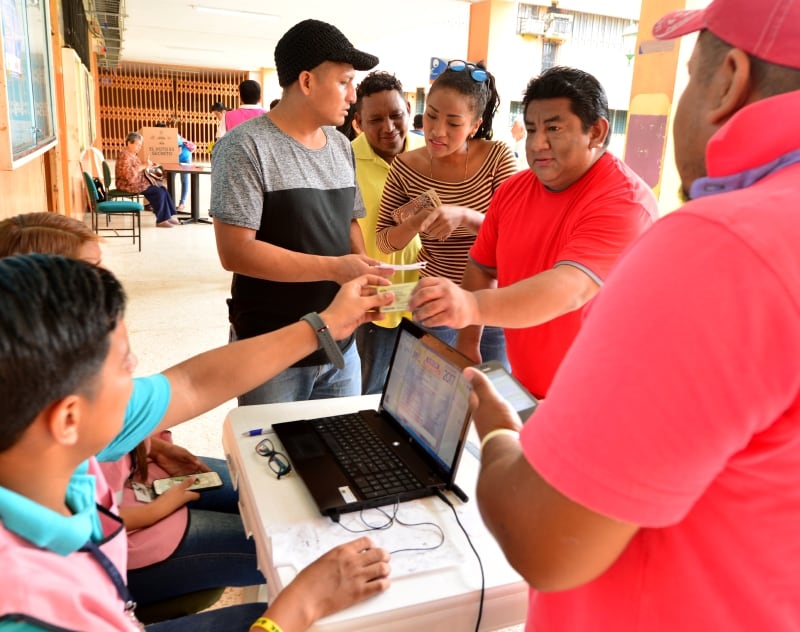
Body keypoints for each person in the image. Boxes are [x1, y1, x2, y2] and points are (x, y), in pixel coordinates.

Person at [463, 1, 800, 630]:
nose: (539, 143)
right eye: (530, 128)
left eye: (691, 75)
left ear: (727, 79)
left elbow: (544, 542)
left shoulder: (722, 244)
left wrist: (499, 431)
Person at [0, 252, 394, 631]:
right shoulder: (28, 608)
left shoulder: (45, 442)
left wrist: (326, 324)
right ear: (69, 418)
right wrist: (300, 606)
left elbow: (191, 383)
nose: (137, 369)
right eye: (123, 363)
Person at [0, 211, 260, 611]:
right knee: (275, 544)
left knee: (262, 487)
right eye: (90, 272)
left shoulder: (64, 433)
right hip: (138, 532)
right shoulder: (37, 589)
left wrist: (153, 445)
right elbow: (191, 384)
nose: (135, 368)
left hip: (139, 495)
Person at [409, 67, 658, 398]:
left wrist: (470, 305)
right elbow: (482, 265)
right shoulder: (514, 190)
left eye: (554, 128)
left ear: (596, 132)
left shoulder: (624, 203)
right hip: (530, 389)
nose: (538, 143)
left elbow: (569, 289)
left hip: (606, 398)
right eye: (531, 129)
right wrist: (467, 344)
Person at [210, 19, 393, 405]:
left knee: (339, 455)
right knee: (271, 460)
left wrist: (363, 270)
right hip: (272, 348)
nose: (353, 95)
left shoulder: (341, 147)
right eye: (344, 82)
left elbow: (349, 221)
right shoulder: (245, 147)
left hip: (340, 345)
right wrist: (332, 267)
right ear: (307, 82)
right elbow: (235, 252)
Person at [375, 60, 517, 366]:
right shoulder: (405, 166)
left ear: (475, 125)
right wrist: (415, 221)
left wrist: (466, 216)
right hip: (435, 303)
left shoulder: (498, 157)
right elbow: (385, 241)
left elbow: (516, 235)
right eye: (431, 116)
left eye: (453, 123)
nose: (437, 131)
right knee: (432, 404)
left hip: (492, 306)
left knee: (494, 400)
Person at [351, 71, 426, 394]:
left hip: (427, 291)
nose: (388, 127)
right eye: (375, 119)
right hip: (376, 297)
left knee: (420, 390)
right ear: (358, 121)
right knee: (370, 389)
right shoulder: (345, 159)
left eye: (396, 115)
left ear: (408, 109)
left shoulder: (431, 152)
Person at [115, 132, 180, 228]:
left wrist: (148, 165)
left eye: (140, 145)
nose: (139, 147)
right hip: (128, 184)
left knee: (162, 188)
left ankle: (167, 216)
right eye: (137, 144)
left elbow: (138, 168)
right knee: (158, 192)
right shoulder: (124, 156)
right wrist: (144, 165)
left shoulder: (132, 155)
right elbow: (128, 175)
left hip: (137, 181)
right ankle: (161, 220)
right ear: (129, 143)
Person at [155, 122, 196, 211]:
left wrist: (169, 161)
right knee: (170, 179)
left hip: (184, 158)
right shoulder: (158, 138)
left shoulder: (174, 135)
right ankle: (170, 203)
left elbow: (179, 151)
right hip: (173, 159)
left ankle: (182, 203)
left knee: (184, 180)